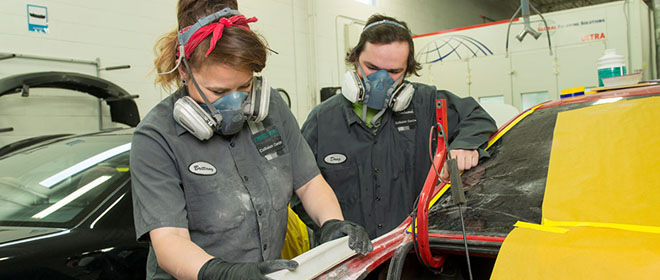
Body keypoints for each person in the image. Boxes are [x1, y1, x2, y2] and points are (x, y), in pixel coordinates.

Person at [130, 1, 372, 279]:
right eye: (218, 91)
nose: (236, 102)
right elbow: (169, 240)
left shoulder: (272, 109)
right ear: (183, 71)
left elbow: (309, 182)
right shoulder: (156, 137)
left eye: (245, 86)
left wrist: (332, 223)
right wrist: (225, 274)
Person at [294, 14, 498, 239]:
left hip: (415, 254)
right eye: (371, 67)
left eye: (393, 72)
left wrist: (464, 145)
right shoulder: (322, 121)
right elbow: (300, 189)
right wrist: (329, 229)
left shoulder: (428, 104)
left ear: (407, 71)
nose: (381, 81)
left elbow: (478, 117)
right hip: (351, 260)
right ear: (355, 60)